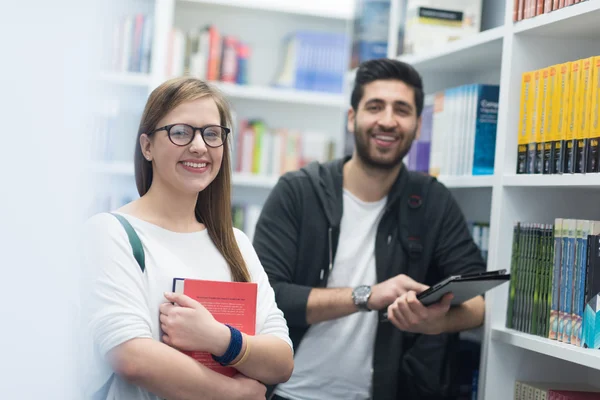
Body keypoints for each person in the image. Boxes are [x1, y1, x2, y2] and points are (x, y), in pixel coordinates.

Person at [252, 58, 487, 400]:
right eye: (375, 107)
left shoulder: (433, 200)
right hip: (288, 392)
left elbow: (478, 303)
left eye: (402, 110)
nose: (388, 121)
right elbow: (265, 296)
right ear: (352, 118)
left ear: (418, 125)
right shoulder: (298, 191)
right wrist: (366, 296)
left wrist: (433, 322)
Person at [80, 77, 293, 400]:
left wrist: (220, 339)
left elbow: (281, 360)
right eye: (181, 132)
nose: (199, 146)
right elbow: (132, 357)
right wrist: (234, 394)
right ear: (147, 146)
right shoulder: (110, 233)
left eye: (212, 134)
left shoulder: (235, 244)